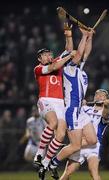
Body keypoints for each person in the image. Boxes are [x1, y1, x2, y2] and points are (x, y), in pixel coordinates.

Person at [49, 28, 97, 178]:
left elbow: (86, 53)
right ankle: (53, 162)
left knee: (92, 140)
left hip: (80, 110)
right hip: (71, 110)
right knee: (76, 145)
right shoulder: (68, 68)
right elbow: (80, 54)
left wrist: (89, 38)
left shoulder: (78, 69)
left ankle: (67, 148)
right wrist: (83, 36)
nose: (76, 53)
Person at [33, 23, 75, 179]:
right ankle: (38, 154)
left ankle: (45, 162)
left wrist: (68, 35)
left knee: (61, 134)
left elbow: (69, 49)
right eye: (45, 55)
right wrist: (68, 57)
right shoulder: (38, 68)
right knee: (53, 123)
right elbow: (53, 67)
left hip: (60, 102)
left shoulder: (56, 63)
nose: (48, 56)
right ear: (39, 58)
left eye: (49, 54)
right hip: (45, 100)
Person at [60, 89, 109, 180]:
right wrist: (80, 104)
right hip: (80, 143)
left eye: (102, 95)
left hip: (94, 145)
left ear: (106, 98)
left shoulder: (107, 112)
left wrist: (106, 106)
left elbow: (105, 116)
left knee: (93, 173)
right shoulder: (85, 108)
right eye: (97, 95)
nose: (99, 96)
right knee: (67, 172)